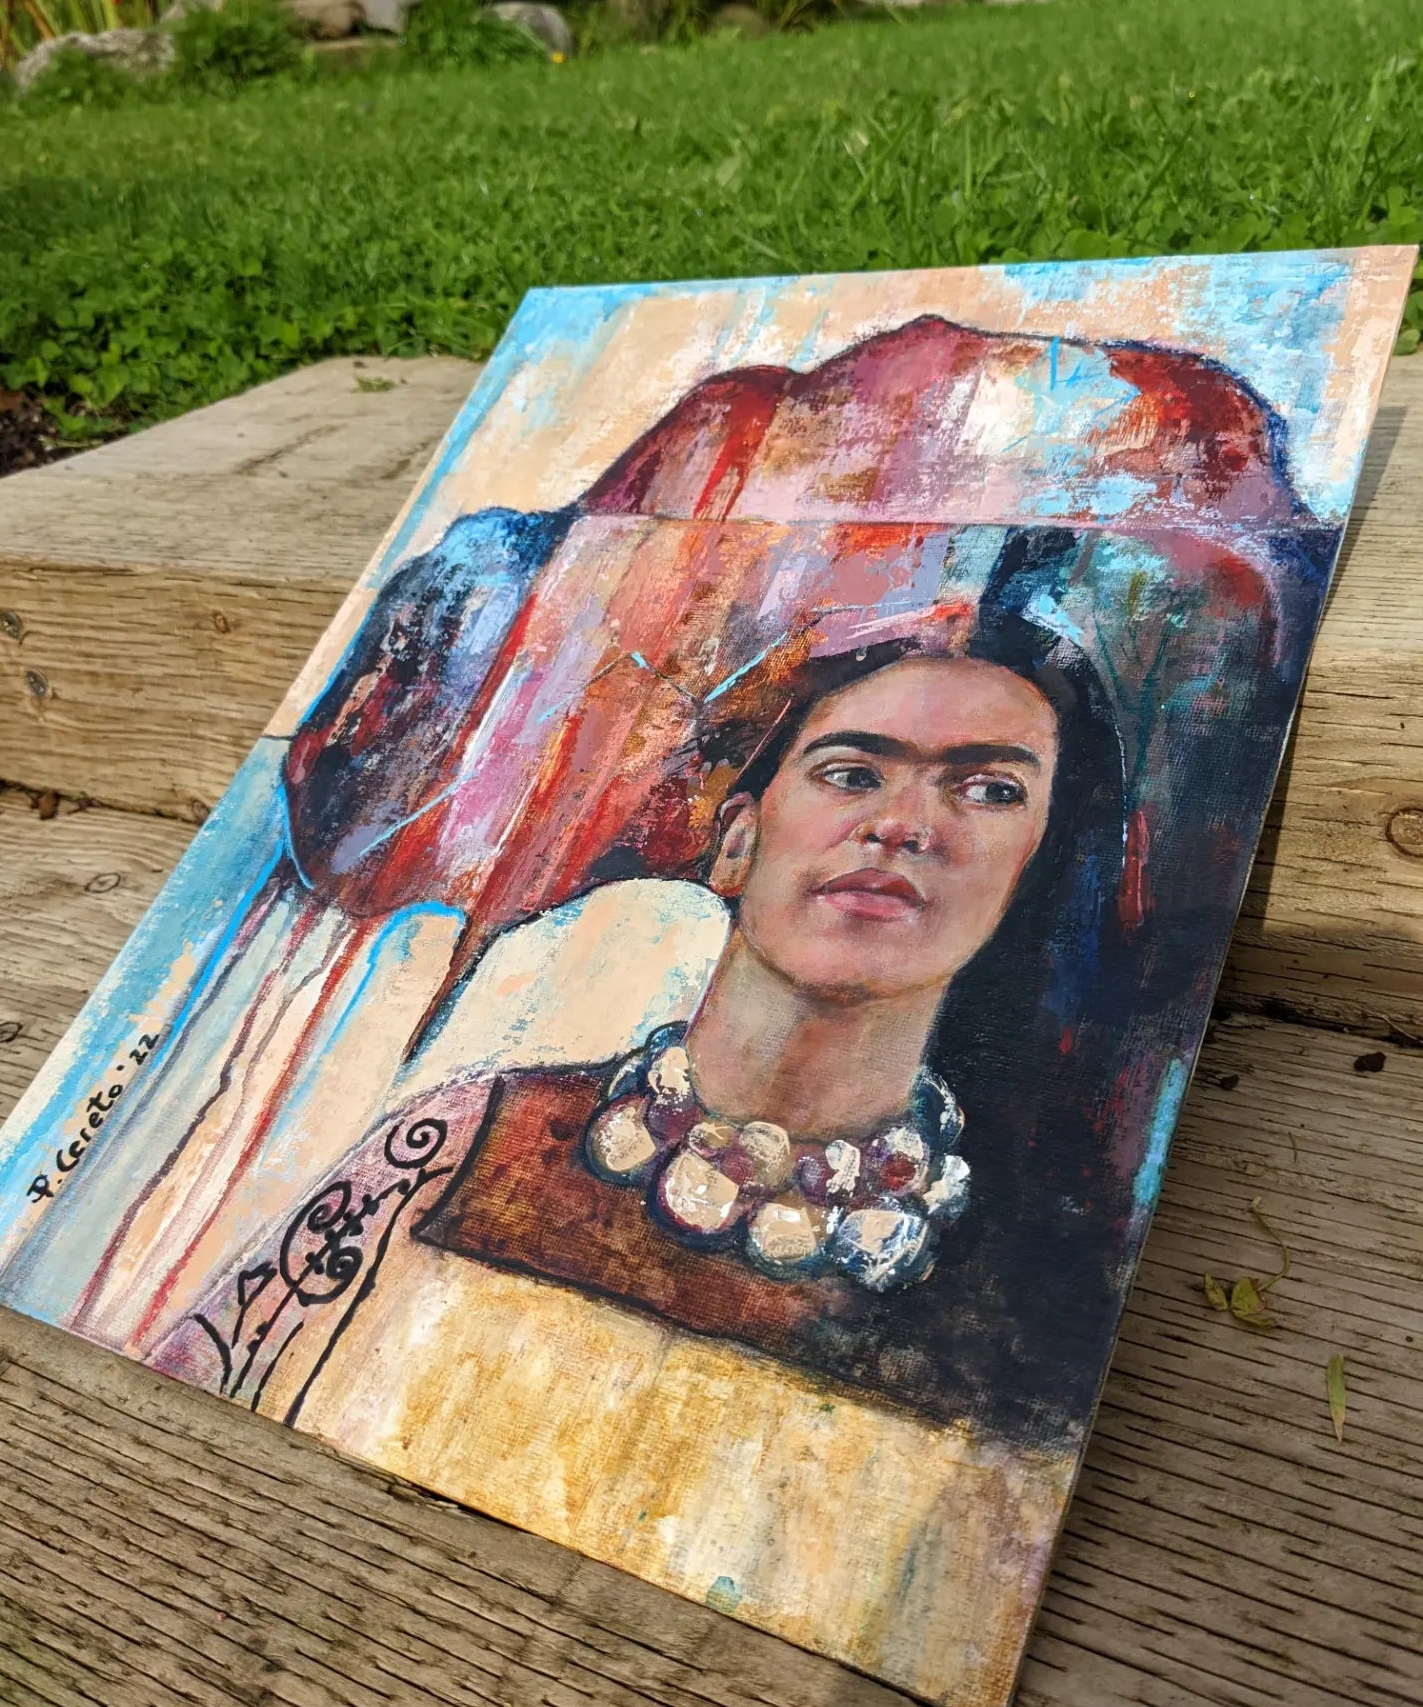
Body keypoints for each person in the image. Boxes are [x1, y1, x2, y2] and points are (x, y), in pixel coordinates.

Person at [162, 591, 1129, 1444]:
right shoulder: (463, 1146)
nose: (902, 825)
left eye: (990, 791)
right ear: (738, 842)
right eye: (850, 773)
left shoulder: (1032, 1306)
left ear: (1031, 879)